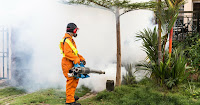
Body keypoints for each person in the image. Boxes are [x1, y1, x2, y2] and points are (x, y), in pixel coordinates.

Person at [59, 23, 85, 105]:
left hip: (71, 62)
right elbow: (67, 53)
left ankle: (71, 96)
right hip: (67, 63)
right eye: (76, 30)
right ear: (73, 30)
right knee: (71, 81)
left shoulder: (70, 39)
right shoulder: (67, 40)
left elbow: (74, 53)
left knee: (75, 79)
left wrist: (81, 58)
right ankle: (69, 102)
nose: (76, 32)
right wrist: (76, 59)